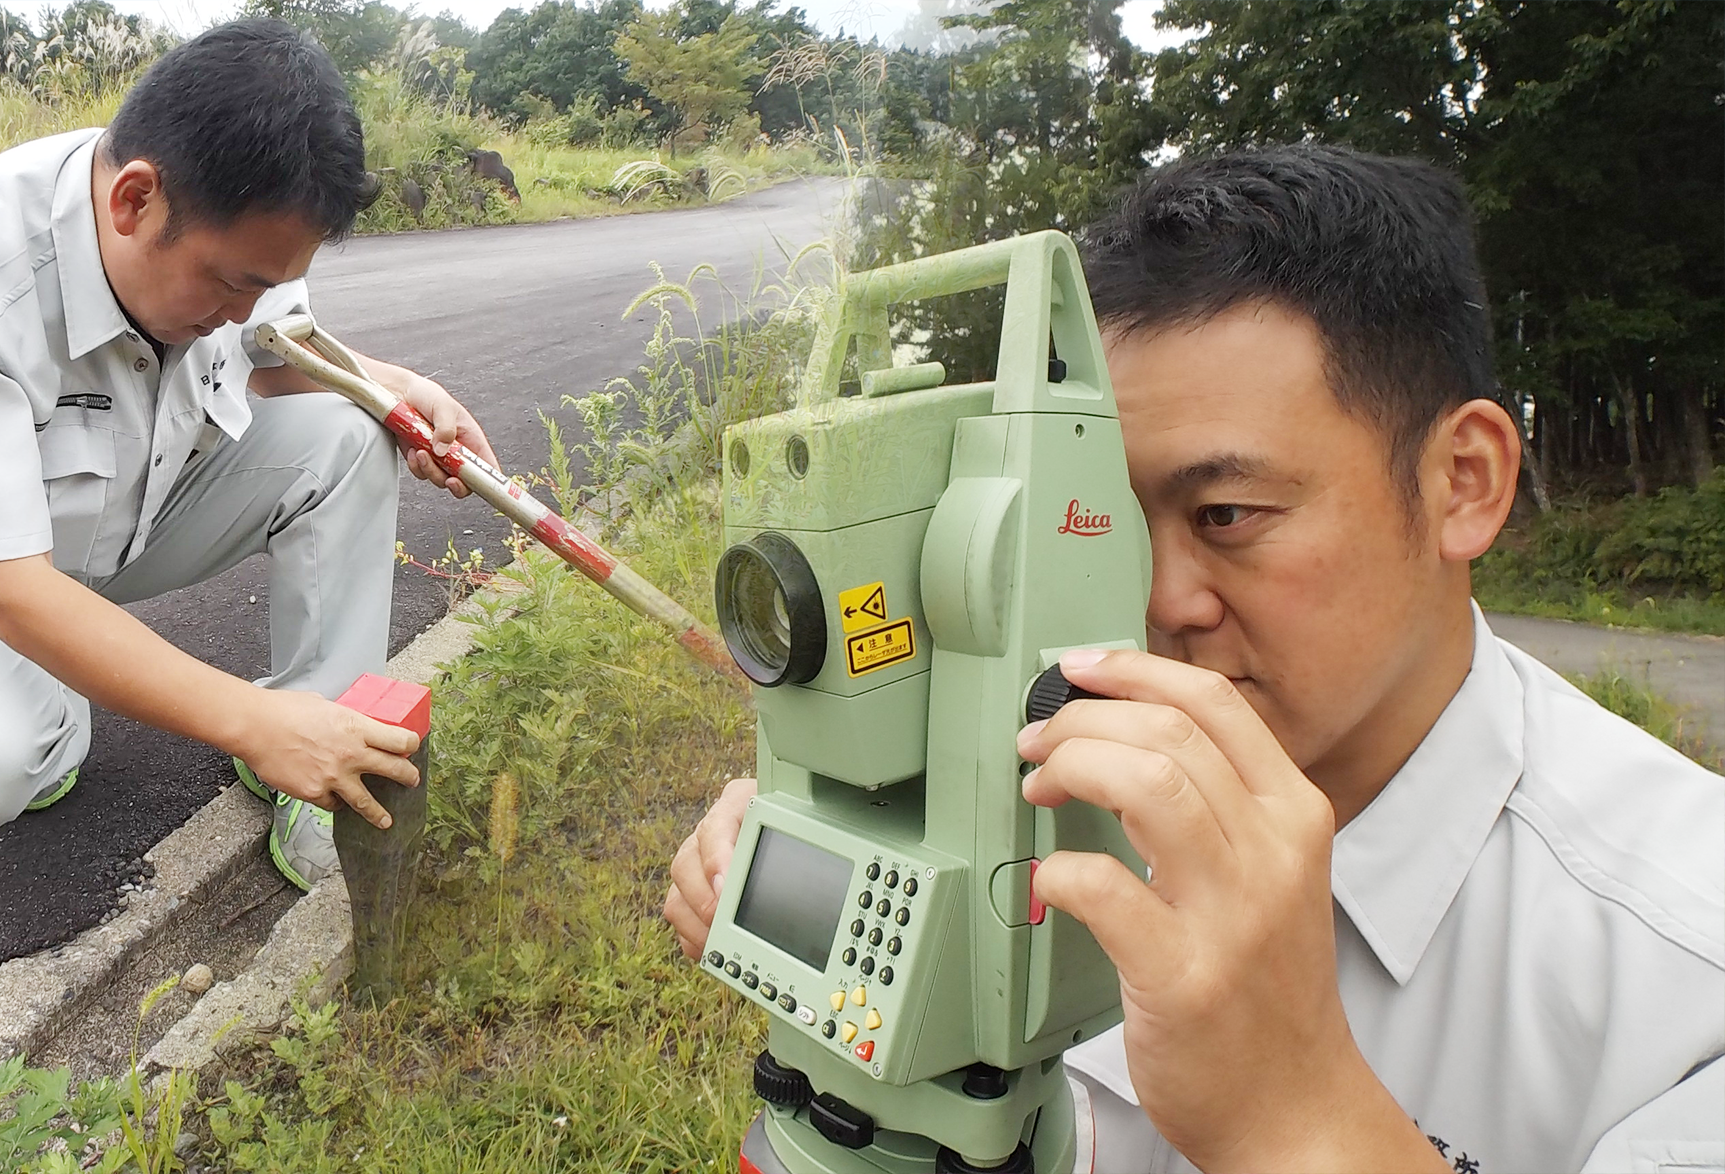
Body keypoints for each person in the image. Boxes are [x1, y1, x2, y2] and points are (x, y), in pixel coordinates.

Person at [664, 146, 1723, 1172]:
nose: (1159, 601)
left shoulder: (1682, 987)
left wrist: (1297, 1118)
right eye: (1100, 528)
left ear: (1465, 480)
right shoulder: (1038, 788)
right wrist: (807, 879)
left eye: (1226, 513)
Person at [0, 19, 499, 891]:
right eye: (231, 284)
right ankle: (77, 710)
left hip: (138, 507)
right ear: (132, 201)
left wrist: (393, 386)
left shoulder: (227, 212)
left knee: (349, 433)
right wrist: (250, 720)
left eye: (266, 282)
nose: (241, 309)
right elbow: (10, 587)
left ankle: (326, 739)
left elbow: (274, 353)